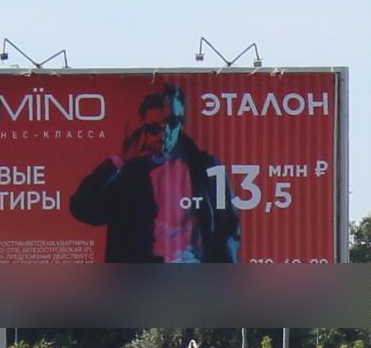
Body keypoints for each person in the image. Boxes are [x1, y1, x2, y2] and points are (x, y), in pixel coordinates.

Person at [66, 87, 243, 264]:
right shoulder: (129, 174)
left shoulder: (209, 167)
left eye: (172, 123)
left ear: (182, 122)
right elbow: (83, 208)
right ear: (143, 126)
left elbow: (229, 226)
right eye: (154, 128)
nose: (164, 133)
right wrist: (120, 160)